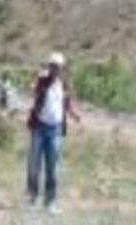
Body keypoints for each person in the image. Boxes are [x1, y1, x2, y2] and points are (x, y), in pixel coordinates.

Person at [26, 52, 81, 214]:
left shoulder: (64, 85)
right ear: (49, 67)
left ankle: (50, 202)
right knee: (34, 165)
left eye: (57, 67)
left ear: (62, 68)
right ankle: (33, 199)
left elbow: (66, 104)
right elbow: (33, 90)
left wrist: (74, 115)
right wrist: (37, 81)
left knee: (53, 167)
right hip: (39, 127)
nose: (55, 69)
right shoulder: (42, 81)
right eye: (52, 66)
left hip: (55, 129)